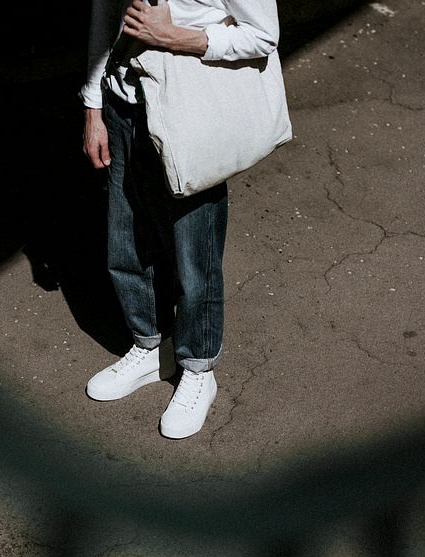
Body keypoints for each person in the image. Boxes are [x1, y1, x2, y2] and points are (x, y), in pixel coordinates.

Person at [81, 0, 281, 438]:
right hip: (123, 104)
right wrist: (94, 104)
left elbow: (264, 36)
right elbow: (105, 12)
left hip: (190, 108)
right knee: (127, 239)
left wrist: (175, 37)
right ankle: (151, 346)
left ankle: (198, 367)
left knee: (196, 250)